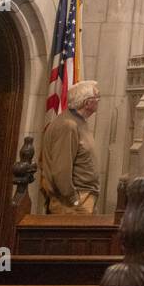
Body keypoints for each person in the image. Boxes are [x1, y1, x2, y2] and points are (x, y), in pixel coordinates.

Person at [40, 80, 101, 214]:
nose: (99, 100)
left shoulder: (79, 122)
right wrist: (74, 200)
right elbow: (61, 170)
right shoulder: (68, 125)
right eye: (97, 97)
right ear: (87, 102)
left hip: (83, 198)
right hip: (71, 204)